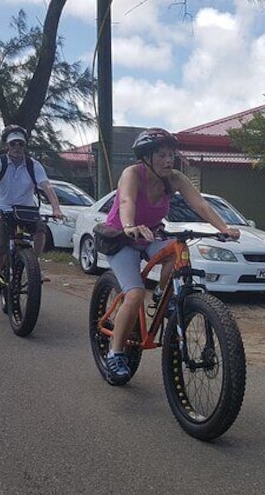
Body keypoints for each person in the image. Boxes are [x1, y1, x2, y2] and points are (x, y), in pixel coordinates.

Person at [102, 128, 241, 384]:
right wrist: (130, 225)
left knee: (176, 254)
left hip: (151, 235)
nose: (169, 161)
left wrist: (224, 228)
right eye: (162, 155)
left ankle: (162, 297)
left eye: (171, 155)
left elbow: (201, 205)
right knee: (133, 295)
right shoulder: (132, 174)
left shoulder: (174, 179)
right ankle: (115, 353)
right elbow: (126, 202)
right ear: (146, 157)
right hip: (122, 237)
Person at [0, 124, 64, 300]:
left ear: (25, 146)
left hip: (26, 210)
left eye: (20, 144)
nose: (17, 147)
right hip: (0, 209)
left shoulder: (34, 165)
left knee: (40, 230)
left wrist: (56, 208)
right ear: (6, 146)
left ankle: (33, 265)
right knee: (0, 245)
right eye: (13, 144)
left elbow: (46, 187)